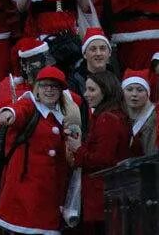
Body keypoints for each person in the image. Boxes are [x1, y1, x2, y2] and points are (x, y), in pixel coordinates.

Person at [0, 66, 79, 235]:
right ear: (37, 88)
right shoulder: (29, 105)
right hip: (25, 194)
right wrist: (7, 113)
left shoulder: (58, 118)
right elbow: (18, 111)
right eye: (45, 85)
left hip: (48, 198)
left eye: (54, 86)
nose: (49, 90)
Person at [65, 71, 131, 235]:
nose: (86, 94)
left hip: (101, 196)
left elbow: (102, 159)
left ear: (106, 89)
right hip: (109, 195)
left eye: (92, 90)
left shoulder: (107, 119)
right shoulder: (114, 115)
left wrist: (78, 149)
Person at [0, 37, 52, 108]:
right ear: (23, 66)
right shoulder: (8, 86)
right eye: (35, 63)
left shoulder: (53, 80)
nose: (47, 65)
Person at [68, 27, 116, 100]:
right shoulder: (75, 81)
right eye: (93, 49)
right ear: (84, 54)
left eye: (102, 48)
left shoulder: (115, 77)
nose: (98, 53)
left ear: (109, 53)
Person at [123, 69, 157, 156]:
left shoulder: (155, 117)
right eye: (129, 89)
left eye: (140, 90)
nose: (134, 94)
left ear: (147, 93)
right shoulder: (118, 115)